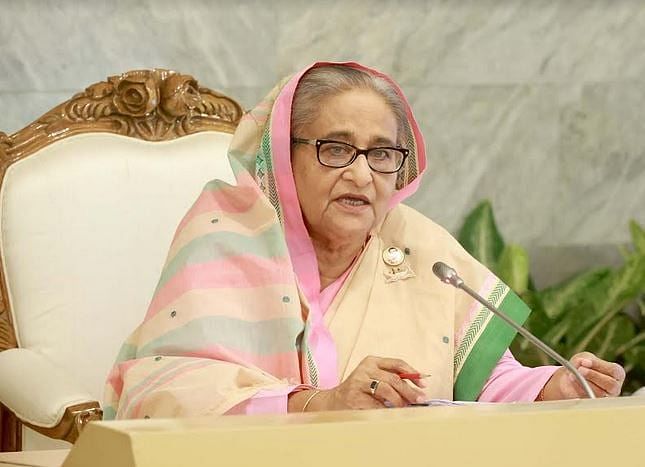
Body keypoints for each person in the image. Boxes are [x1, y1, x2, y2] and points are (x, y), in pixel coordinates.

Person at [104, 62, 625, 419]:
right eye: (336, 148)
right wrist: (319, 404)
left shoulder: (420, 246)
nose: (362, 175)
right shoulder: (225, 234)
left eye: (381, 153)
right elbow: (166, 390)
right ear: (286, 158)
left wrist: (551, 388)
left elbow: (480, 384)